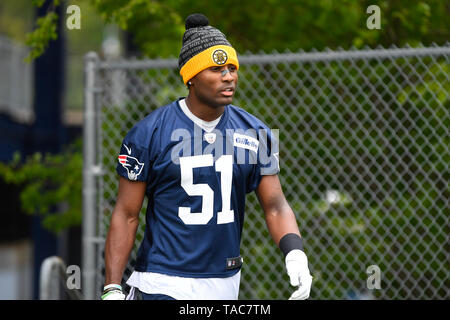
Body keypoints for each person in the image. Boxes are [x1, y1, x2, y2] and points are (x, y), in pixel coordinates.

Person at [101, 13, 312, 301]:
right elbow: (126, 214)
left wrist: (295, 252)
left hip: (224, 281)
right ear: (191, 77)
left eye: (231, 68)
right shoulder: (150, 133)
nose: (228, 76)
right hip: (162, 281)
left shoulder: (256, 132)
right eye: (215, 69)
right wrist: (112, 286)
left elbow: (275, 206)